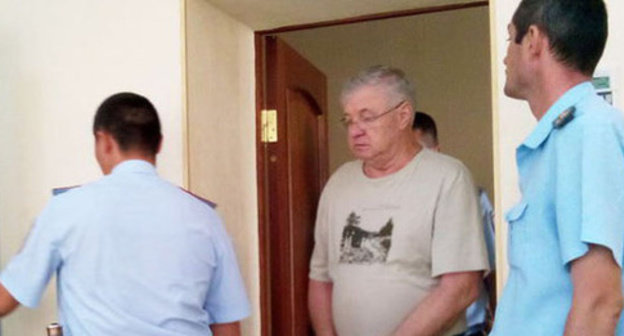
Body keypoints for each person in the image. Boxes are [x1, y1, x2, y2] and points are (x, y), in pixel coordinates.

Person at [0, 92, 250, 335]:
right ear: (159, 144)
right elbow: (226, 325)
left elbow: (7, 298)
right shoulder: (205, 217)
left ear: (104, 141)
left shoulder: (66, 209)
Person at [308, 65, 489, 336]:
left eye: (367, 118)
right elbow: (320, 279)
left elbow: (461, 287)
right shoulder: (338, 183)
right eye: (349, 120)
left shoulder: (447, 177)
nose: (355, 130)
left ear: (403, 115)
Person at [491, 0, 624, 335]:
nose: (505, 56)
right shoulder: (564, 137)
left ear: (533, 40)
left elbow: (600, 301)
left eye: (511, 40)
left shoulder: (587, 132)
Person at [412, 112, 496, 336]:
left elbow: (493, 271)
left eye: (420, 152)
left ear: (437, 151)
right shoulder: (390, 206)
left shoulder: (474, 200)